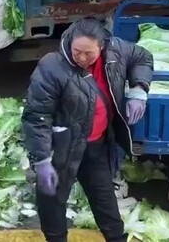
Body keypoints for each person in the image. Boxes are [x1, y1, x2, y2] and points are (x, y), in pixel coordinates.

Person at [22, 18, 152, 242]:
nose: (81, 58)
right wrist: (42, 159)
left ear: (102, 47)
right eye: (77, 51)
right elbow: (37, 117)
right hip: (62, 149)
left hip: (95, 145)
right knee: (52, 202)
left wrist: (139, 89)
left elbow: (142, 57)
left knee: (104, 198)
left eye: (88, 53)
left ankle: (116, 238)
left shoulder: (116, 51)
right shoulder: (52, 67)